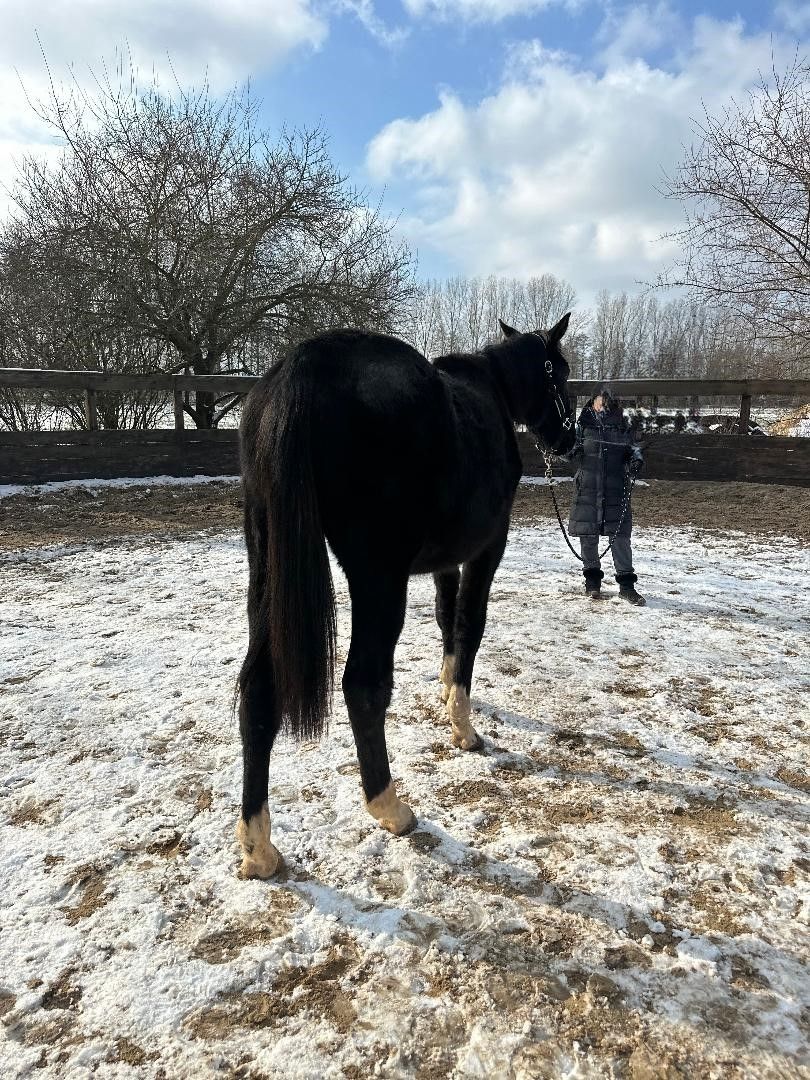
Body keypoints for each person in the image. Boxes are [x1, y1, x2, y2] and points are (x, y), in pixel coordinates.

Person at [567, 388, 645, 605]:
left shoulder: (624, 426)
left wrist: (635, 461)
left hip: (616, 488)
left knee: (620, 538)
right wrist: (571, 452)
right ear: (592, 402)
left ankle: (627, 586)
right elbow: (568, 449)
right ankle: (592, 582)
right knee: (588, 536)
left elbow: (634, 449)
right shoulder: (581, 426)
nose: (602, 405)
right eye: (599, 401)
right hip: (587, 488)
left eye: (606, 402)